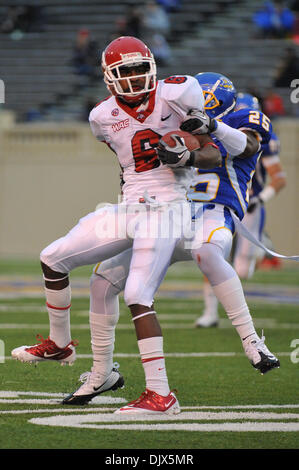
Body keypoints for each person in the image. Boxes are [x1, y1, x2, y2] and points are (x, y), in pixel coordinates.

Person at [11, 36, 221, 415]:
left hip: (169, 207)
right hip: (132, 207)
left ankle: (162, 395)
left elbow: (213, 155)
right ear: (110, 77)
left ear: (153, 67)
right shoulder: (101, 116)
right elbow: (127, 167)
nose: (136, 76)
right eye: (127, 71)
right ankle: (61, 344)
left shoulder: (179, 93)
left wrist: (188, 154)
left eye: (141, 68)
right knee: (53, 257)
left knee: (138, 293)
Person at [60, 73, 281, 411]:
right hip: (168, 212)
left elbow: (247, 146)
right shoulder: (178, 116)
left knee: (206, 253)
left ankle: (253, 342)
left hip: (213, 211)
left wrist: (211, 130)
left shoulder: (240, 117)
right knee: (102, 281)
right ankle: (101, 372)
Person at [196, 92, 287, 328]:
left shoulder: (260, 139)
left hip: (250, 204)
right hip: (222, 199)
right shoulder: (215, 133)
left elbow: (279, 178)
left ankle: (257, 249)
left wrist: (261, 198)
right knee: (211, 252)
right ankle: (210, 313)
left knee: (241, 270)